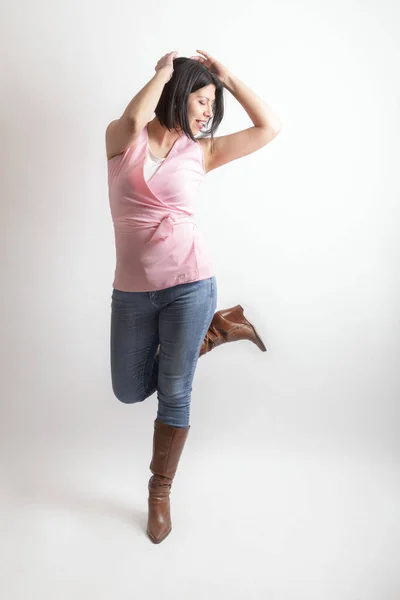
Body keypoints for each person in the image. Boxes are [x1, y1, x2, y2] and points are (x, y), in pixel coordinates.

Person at [105, 49, 283, 544]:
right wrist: (164, 71)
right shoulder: (123, 139)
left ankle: (158, 494)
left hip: (190, 284)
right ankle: (222, 329)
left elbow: (269, 127)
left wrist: (230, 78)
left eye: (213, 103)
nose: (208, 111)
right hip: (133, 293)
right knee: (128, 388)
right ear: (177, 93)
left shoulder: (200, 152)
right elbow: (136, 115)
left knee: (174, 391)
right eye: (202, 99)